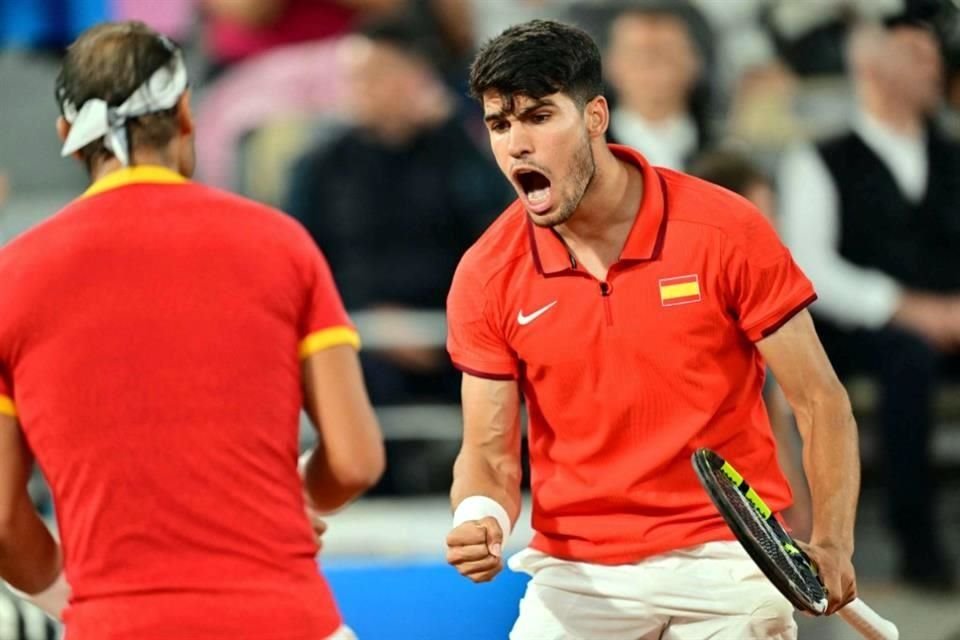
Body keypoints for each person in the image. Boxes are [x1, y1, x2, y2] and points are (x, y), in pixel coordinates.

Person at [444, 20, 860, 639]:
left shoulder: (724, 229)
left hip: (727, 559)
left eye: (539, 116)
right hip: (575, 571)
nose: (518, 145)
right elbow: (487, 450)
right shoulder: (486, 273)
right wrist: (480, 516)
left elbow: (820, 400)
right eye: (501, 125)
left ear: (595, 116)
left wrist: (831, 541)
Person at [0, 21, 384, 640]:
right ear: (184, 113)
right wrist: (294, 502)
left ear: (68, 137)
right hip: (286, 620)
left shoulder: (10, 277)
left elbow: (0, 520)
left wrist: (73, 603)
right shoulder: (279, 244)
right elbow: (356, 459)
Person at [779, 9, 960, 591]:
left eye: (933, 57)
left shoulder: (953, 154)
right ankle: (920, 547)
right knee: (907, 358)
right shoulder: (819, 159)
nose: (931, 68)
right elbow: (811, 267)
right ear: (869, 64)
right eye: (915, 55)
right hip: (856, 333)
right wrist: (908, 309)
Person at [689, 147, 811, 540]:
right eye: (760, 217)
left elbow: (783, 427)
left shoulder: (764, 314)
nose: (773, 228)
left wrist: (805, 535)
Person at [602, 3, 712, 170]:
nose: (651, 65)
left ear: (694, 62)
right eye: (638, 54)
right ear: (611, 64)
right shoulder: (587, 152)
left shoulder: (726, 151)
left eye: (666, 53)